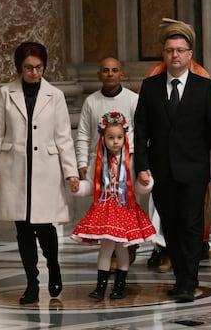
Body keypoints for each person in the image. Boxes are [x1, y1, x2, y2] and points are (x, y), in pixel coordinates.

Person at [134, 19, 211, 303]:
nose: (175, 55)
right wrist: (141, 166)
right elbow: (141, 131)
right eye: (170, 50)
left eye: (180, 50)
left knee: (191, 226)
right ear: (163, 54)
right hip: (161, 171)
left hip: (194, 171)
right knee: (171, 228)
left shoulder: (205, 87)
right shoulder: (149, 87)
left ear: (189, 55)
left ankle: (189, 281)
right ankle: (180, 277)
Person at [0, 42, 80, 304]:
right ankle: (31, 283)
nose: (34, 72)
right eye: (28, 67)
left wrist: (71, 173)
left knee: (45, 226)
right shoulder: (6, 93)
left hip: (46, 169)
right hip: (14, 168)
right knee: (23, 229)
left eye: (39, 67)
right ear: (19, 68)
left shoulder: (55, 95)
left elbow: (63, 138)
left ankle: (54, 265)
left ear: (44, 67)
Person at [72, 112, 156, 300]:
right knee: (106, 248)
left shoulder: (131, 161)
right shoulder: (98, 161)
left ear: (125, 137)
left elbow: (136, 188)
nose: (115, 142)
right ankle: (101, 287)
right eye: (110, 138)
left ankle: (119, 285)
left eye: (119, 137)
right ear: (103, 138)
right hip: (104, 208)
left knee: (121, 249)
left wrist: (144, 182)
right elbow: (91, 187)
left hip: (125, 208)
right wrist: (79, 187)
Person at [75, 57, 140, 267]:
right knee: (105, 211)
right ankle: (110, 250)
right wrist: (82, 163)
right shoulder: (91, 101)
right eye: (105, 70)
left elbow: (140, 133)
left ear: (121, 74)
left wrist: (137, 165)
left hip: (126, 166)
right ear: (99, 75)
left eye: (114, 70)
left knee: (125, 209)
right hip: (99, 166)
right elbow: (84, 133)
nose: (110, 74)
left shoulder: (132, 99)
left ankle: (128, 246)